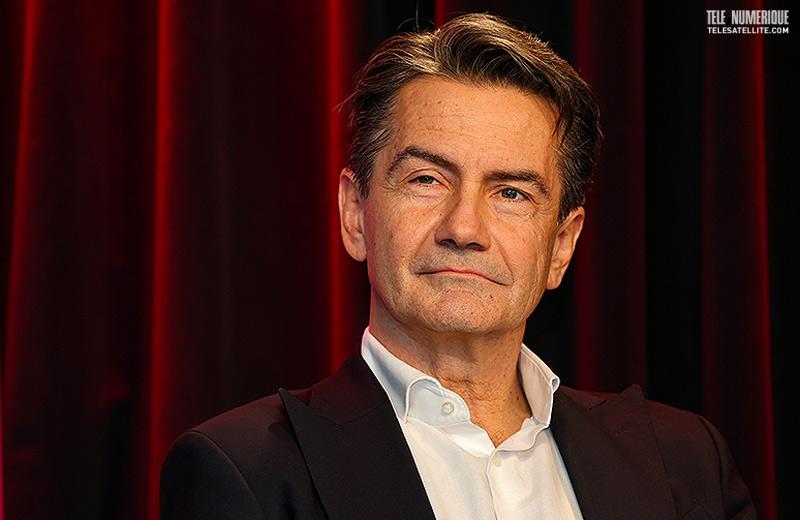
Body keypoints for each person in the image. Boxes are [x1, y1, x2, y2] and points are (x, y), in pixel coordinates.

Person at [160, 13, 755, 519]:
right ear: (355, 214)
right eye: (427, 180)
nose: (464, 228)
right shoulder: (244, 471)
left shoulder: (686, 463)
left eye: (511, 193)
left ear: (561, 246)